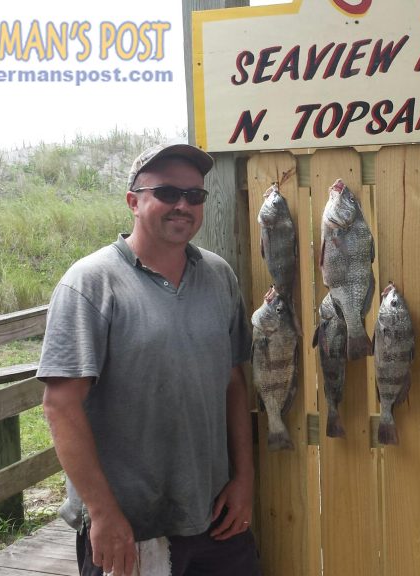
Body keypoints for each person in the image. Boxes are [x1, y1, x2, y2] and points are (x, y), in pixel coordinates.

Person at [38, 143, 260, 576]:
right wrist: (103, 515)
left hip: (216, 515)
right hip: (131, 525)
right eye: (166, 193)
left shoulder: (218, 276)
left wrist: (244, 478)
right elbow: (60, 404)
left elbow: (233, 381)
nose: (183, 205)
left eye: (194, 196)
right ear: (133, 201)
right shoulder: (91, 283)